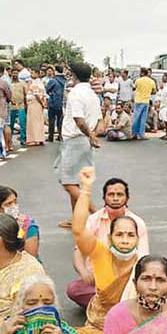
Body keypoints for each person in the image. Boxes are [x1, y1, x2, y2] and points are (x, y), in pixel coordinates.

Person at [72, 167, 141, 334]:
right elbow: (77, 229)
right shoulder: (100, 254)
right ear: (110, 238)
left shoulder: (143, 265)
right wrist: (85, 189)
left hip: (132, 332)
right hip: (99, 328)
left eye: (130, 235)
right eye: (119, 234)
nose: (125, 239)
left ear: (138, 239)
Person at [67, 177, 149, 309]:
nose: (115, 198)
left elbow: (143, 260)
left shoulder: (138, 223)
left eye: (120, 194)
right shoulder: (94, 223)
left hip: (131, 281)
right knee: (75, 290)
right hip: (98, 282)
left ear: (127, 198)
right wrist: (84, 272)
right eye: (111, 194)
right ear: (110, 238)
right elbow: (78, 234)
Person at [54, 62, 101, 230]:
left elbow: (79, 120)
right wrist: (94, 135)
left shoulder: (75, 94)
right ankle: (76, 218)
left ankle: (97, 214)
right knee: (76, 181)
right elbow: (100, 120)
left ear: (73, 75)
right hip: (84, 141)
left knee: (68, 183)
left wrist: (90, 135)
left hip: (75, 139)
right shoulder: (93, 95)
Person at [0, 185, 40, 259]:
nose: (14, 207)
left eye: (15, 202)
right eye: (9, 204)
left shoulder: (28, 226)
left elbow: (31, 257)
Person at [24, 69, 46, 147]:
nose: (31, 74)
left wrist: (42, 103)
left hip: (34, 104)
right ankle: (39, 139)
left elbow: (37, 95)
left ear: (37, 73)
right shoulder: (40, 82)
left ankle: (34, 139)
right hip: (36, 104)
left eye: (32, 73)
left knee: (33, 122)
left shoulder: (35, 83)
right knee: (38, 121)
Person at [132, 68, 155, 140]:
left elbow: (134, 88)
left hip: (138, 101)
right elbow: (154, 91)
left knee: (136, 118)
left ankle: (134, 133)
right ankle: (141, 134)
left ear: (142, 73)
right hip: (146, 101)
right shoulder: (152, 81)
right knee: (143, 118)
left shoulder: (138, 80)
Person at [46, 65, 67, 142]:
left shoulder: (53, 80)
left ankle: (50, 136)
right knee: (60, 120)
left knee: (51, 120)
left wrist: (51, 94)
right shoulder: (65, 80)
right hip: (62, 103)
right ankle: (60, 135)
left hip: (53, 102)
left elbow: (47, 90)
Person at [9, 68, 27, 147]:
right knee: (10, 124)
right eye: (14, 73)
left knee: (22, 123)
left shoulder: (22, 83)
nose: (15, 75)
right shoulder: (8, 83)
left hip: (21, 105)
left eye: (16, 73)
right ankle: (9, 140)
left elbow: (25, 94)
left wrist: (26, 104)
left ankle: (23, 139)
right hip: (11, 106)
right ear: (11, 74)